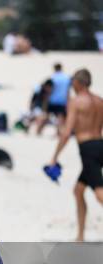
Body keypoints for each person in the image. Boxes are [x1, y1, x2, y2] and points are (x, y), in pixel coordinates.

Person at [49, 69, 103, 241]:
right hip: (100, 144)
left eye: (73, 82)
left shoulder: (76, 102)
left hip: (87, 149)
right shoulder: (99, 101)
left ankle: (80, 236)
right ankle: (80, 236)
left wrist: (55, 156)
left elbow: (66, 133)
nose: (71, 85)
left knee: (99, 192)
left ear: (79, 83)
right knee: (78, 190)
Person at [38, 63, 72, 135]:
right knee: (60, 118)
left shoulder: (53, 78)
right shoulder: (67, 78)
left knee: (45, 116)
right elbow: (68, 91)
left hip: (52, 100)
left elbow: (48, 90)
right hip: (62, 101)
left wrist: (45, 101)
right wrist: (68, 102)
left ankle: (38, 131)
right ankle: (59, 133)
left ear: (54, 69)